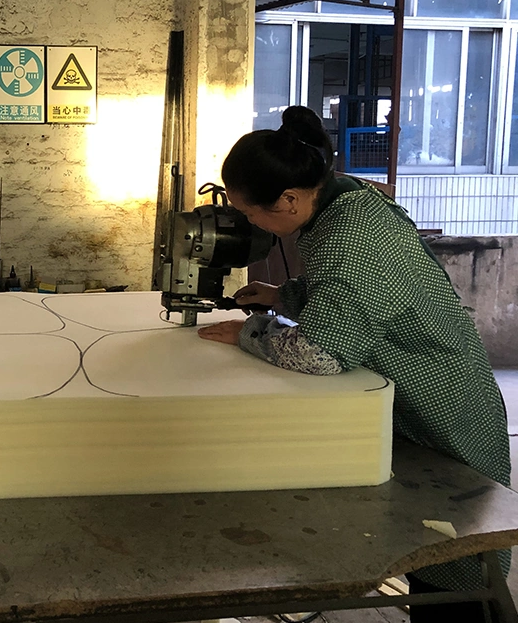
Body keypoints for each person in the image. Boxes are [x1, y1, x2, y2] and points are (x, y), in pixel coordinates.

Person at [197, 106, 511, 622]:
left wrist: (249, 334)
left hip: (447, 411)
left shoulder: (350, 235)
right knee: (430, 558)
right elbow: (357, 299)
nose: (249, 223)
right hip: (413, 393)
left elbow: (320, 353)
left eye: (253, 213)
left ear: (289, 199)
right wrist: (284, 296)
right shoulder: (341, 198)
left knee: (459, 566)